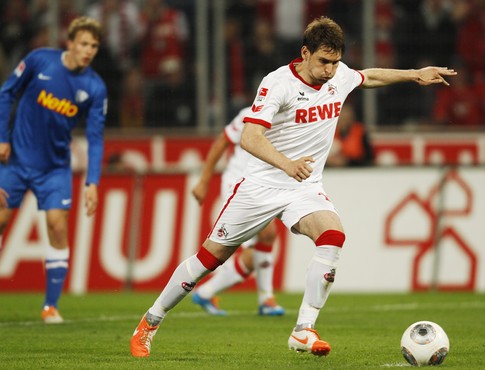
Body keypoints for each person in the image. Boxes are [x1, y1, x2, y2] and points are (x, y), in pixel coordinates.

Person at [130, 16, 455, 358]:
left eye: (335, 62)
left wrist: (414, 75)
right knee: (210, 258)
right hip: (261, 186)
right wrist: (287, 164)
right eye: (323, 62)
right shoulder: (278, 83)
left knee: (332, 235)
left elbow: (369, 76)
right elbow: (249, 137)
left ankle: (304, 329)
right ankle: (150, 321)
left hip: (304, 188)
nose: (331, 70)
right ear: (305, 53)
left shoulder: (339, 74)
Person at [0, 16, 107, 324]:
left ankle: (50, 306)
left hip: (55, 169)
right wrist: (1, 138)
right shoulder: (39, 60)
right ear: (70, 42)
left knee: (58, 226)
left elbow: (95, 138)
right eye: (84, 44)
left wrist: (93, 182)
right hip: (16, 160)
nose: (88, 51)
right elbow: (6, 92)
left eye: (94, 46)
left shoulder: (94, 88)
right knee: (1, 219)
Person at [190, 106, 285, 317]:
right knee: (262, 240)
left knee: (259, 249)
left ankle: (206, 292)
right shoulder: (251, 113)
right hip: (239, 182)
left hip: (263, 185)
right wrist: (204, 180)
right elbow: (222, 141)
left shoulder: (295, 115)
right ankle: (266, 299)